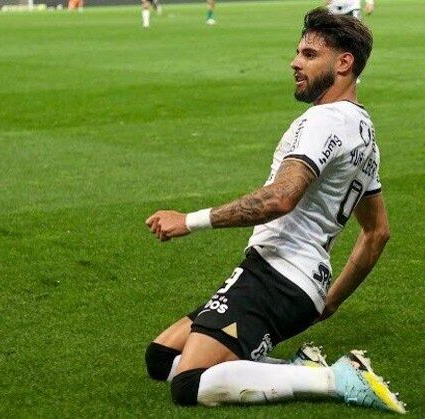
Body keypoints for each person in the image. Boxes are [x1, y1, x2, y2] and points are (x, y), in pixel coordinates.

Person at [143, 7, 405, 413]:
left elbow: (280, 198)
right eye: (298, 52)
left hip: (277, 276)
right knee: (161, 358)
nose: (295, 62)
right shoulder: (364, 132)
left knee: (188, 383)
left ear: (343, 63)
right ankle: (299, 368)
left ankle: (333, 380)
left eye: (309, 54)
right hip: (298, 284)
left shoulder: (323, 121)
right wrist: (328, 302)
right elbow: (377, 232)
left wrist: (189, 222)